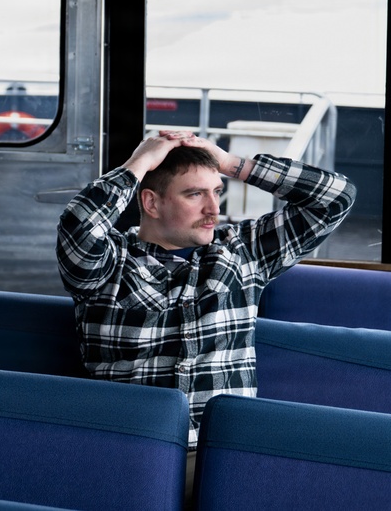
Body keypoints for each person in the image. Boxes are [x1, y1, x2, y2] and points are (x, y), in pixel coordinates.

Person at [56, 130, 356, 492]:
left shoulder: (243, 252)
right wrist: (140, 162)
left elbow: (336, 198)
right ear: (151, 203)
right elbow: (77, 226)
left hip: (226, 456)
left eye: (217, 191)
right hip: (131, 452)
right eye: (195, 194)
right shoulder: (109, 264)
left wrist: (229, 162)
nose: (214, 209)